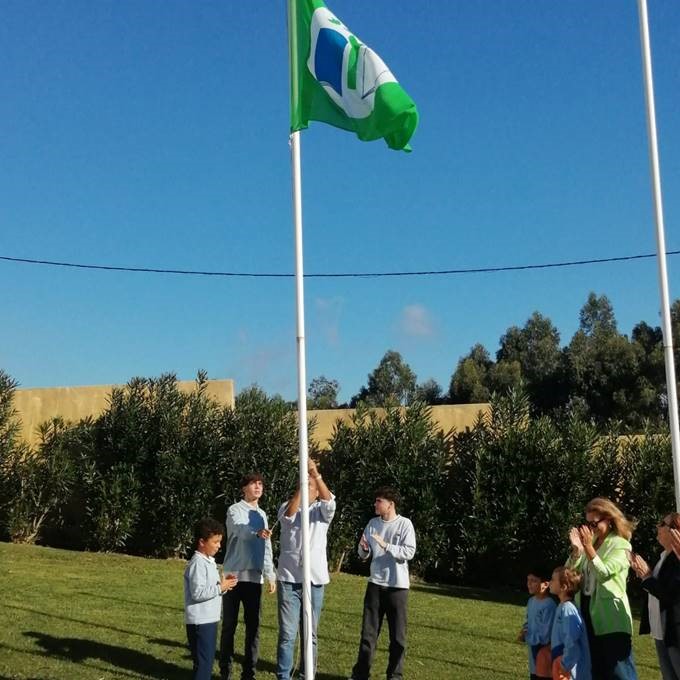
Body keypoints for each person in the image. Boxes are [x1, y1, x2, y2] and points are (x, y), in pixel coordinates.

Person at [276, 458, 336, 680]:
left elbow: (329, 502)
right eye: (302, 484)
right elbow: (289, 515)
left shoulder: (322, 511)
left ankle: (306, 674)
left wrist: (315, 474)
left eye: (309, 486)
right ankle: (283, 676)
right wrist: (302, 489)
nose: (306, 487)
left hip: (315, 581)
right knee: (287, 634)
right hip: (290, 580)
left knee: (309, 634)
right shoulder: (287, 506)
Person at [566, 497, 638, 679]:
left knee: (619, 673)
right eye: (588, 523)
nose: (590, 528)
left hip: (611, 618)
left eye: (595, 523)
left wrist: (588, 549)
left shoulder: (621, 544)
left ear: (609, 519)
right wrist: (577, 551)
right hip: (587, 613)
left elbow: (605, 572)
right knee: (596, 671)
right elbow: (569, 573)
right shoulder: (592, 541)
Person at [349, 487, 416, 680]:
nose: (375, 504)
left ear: (390, 504)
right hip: (375, 585)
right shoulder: (372, 524)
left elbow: (409, 552)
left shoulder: (405, 524)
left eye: (379, 501)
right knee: (368, 635)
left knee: (398, 638)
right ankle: (360, 674)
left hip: (397, 587)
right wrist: (363, 549)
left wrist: (386, 545)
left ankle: (395, 676)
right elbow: (364, 554)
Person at [220, 473, 277, 680]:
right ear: (244, 488)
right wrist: (256, 532)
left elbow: (267, 546)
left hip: (255, 579)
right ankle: (225, 671)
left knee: (253, 629)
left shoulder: (262, 514)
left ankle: (249, 674)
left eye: (261, 483)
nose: (258, 487)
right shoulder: (234, 510)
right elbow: (239, 532)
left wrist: (271, 574)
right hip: (233, 577)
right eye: (253, 483)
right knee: (229, 626)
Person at [184, 517, 238, 680]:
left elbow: (210, 589)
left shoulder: (208, 561)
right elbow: (198, 593)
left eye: (219, 541)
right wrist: (220, 587)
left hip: (209, 619)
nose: (219, 546)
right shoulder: (197, 564)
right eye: (215, 542)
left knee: (206, 662)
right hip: (200, 622)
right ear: (202, 542)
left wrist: (223, 586)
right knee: (204, 663)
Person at [630, 512, 680, 679]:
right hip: (662, 631)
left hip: (675, 633)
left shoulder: (676, 560)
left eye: (663, 524)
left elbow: (671, 595)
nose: (658, 527)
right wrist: (645, 575)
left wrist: (647, 576)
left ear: (676, 532)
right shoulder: (664, 556)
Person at [549, 566, 592, 680]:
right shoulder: (562, 606)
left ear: (563, 587)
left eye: (553, 580)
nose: (550, 582)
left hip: (571, 673)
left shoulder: (568, 609)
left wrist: (564, 665)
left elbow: (571, 641)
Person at [519, 566, 557, 680]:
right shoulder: (531, 601)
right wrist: (523, 632)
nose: (529, 584)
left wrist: (527, 638)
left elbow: (545, 636)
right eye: (528, 580)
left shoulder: (549, 605)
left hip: (543, 653)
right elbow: (528, 621)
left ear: (545, 584)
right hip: (533, 652)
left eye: (533, 581)